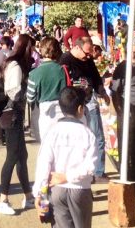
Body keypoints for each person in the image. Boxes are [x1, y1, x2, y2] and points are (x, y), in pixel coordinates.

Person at [32, 87, 97, 228]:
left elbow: (43, 165)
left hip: (57, 190)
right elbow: (91, 166)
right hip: (80, 190)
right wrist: (68, 176)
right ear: (81, 109)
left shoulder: (52, 132)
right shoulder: (88, 134)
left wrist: (39, 195)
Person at [59, 35, 108, 181]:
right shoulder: (65, 60)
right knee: (77, 139)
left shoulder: (88, 60)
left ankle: (98, 171)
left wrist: (102, 92)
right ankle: (79, 172)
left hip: (89, 100)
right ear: (77, 47)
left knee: (97, 136)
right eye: (86, 52)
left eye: (90, 52)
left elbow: (96, 77)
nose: (89, 55)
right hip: (73, 104)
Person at [0, 33, 34, 216]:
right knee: (12, 156)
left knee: (22, 155)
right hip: (12, 114)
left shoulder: (13, 63)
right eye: (32, 48)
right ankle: (3, 198)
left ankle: (28, 195)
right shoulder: (16, 66)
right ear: (26, 48)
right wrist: (26, 94)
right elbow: (12, 90)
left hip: (14, 114)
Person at [109, 39, 135, 184]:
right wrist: (120, 111)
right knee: (127, 145)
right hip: (127, 111)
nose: (134, 55)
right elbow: (115, 92)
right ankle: (127, 176)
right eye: (131, 52)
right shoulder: (122, 68)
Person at [27, 37, 68, 145]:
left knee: (47, 146)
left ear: (41, 50)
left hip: (45, 111)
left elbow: (30, 97)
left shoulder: (34, 73)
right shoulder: (63, 70)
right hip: (62, 109)